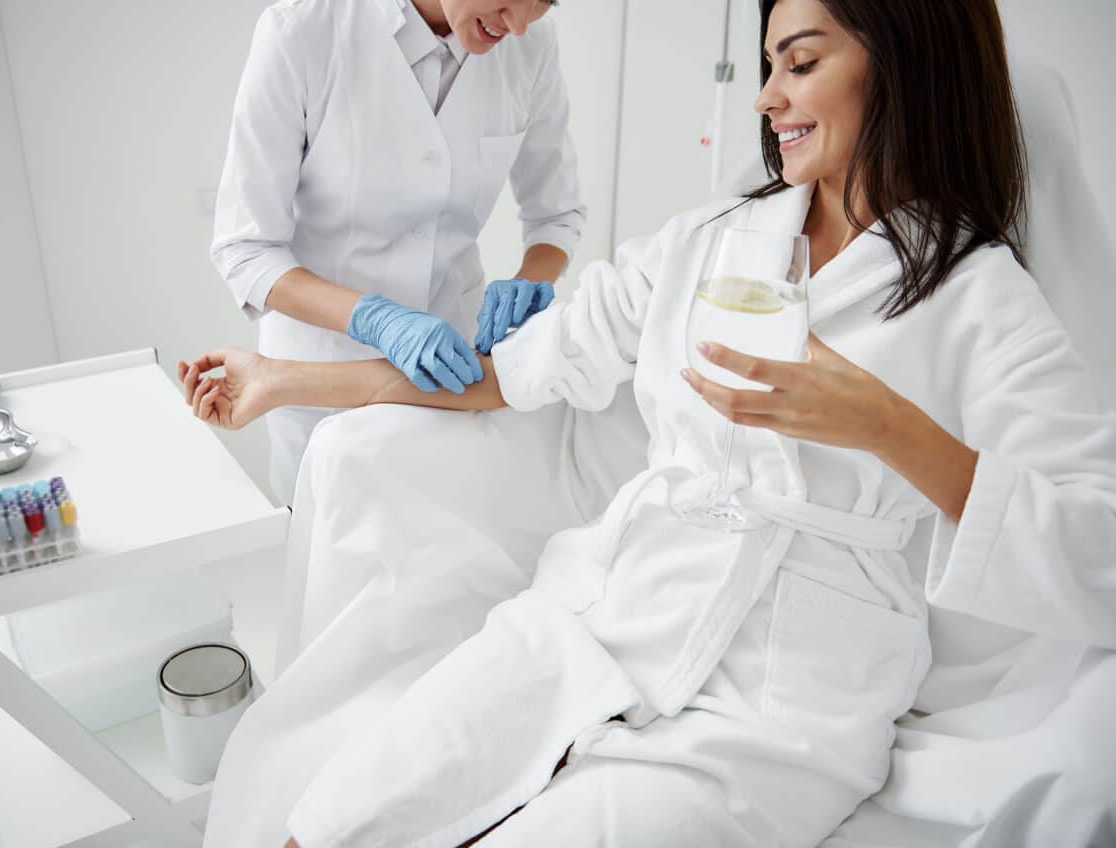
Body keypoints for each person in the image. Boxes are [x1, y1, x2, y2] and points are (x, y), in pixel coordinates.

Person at [183, 0, 1116, 844]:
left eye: (798, 64)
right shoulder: (711, 243)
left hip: (782, 702)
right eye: (766, 68)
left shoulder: (980, 297)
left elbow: (1099, 546)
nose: (766, 99)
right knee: (340, 814)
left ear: (903, 62)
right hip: (603, 615)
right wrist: (281, 377)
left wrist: (890, 428)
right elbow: (500, 377)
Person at [210, 0, 583, 503]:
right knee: (330, 560)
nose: (516, 25)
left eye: (543, 3)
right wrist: (376, 318)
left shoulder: (530, 45)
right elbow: (247, 249)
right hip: (319, 377)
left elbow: (556, 215)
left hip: (451, 370)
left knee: (447, 550)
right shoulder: (300, 32)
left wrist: (532, 277)